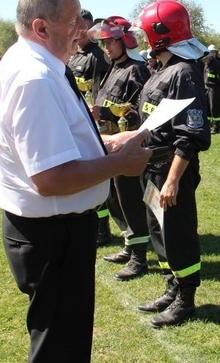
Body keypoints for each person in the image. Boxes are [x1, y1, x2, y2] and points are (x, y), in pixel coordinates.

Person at [0, 0, 151, 362]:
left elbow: (55, 146)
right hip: (52, 235)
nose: (84, 30)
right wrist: (118, 164)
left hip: (52, 231)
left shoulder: (35, 64)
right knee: (61, 348)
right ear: (42, 27)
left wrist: (107, 144)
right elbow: (50, 178)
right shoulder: (34, 78)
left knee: (64, 340)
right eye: (74, 20)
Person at [135, 0, 211, 327]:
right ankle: (172, 285)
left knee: (178, 232)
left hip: (169, 169)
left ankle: (186, 298)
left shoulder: (183, 72)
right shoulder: (162, 69)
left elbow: (190, 134)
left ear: (158, 33)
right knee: (158, 229)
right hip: (151, 167)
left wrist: (172, 179)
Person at [88, 16, 152, 280]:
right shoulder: (114, 67)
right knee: (113, 198)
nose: (107, 47)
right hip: (109, 144)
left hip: (125, 145)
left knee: (130, 200)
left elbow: (138, 113)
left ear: (125, 40)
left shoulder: (136, 69)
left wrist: (104, 113)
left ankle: (139, 258)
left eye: (111, 41)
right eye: (104, 43)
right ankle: (129, 244)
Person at [67, 9, 112, 246]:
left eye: (84, 27)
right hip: (77, 119)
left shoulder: (96, 55)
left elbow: (98, 90)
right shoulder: (74, 55)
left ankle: (103, 230)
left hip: (93, 121)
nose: (80, 32)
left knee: (97, 175)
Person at [202, 50, 220, 133]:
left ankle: (216, 126)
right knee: (207, 107)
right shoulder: (206, 64)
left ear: (209, 57)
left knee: (214, 107)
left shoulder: (216, 64)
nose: (204, 61)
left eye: (205, 59)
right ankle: (207, 124)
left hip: (214, 88)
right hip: (207, 87)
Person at [208, 44, 220, 129]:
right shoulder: (206, 62)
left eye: (213, 52)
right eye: (210, 52)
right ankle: (210, 123)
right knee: (209, 106)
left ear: (216, 52)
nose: (212, 54)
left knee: (219, 106)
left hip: (217, 87)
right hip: (208, 88)